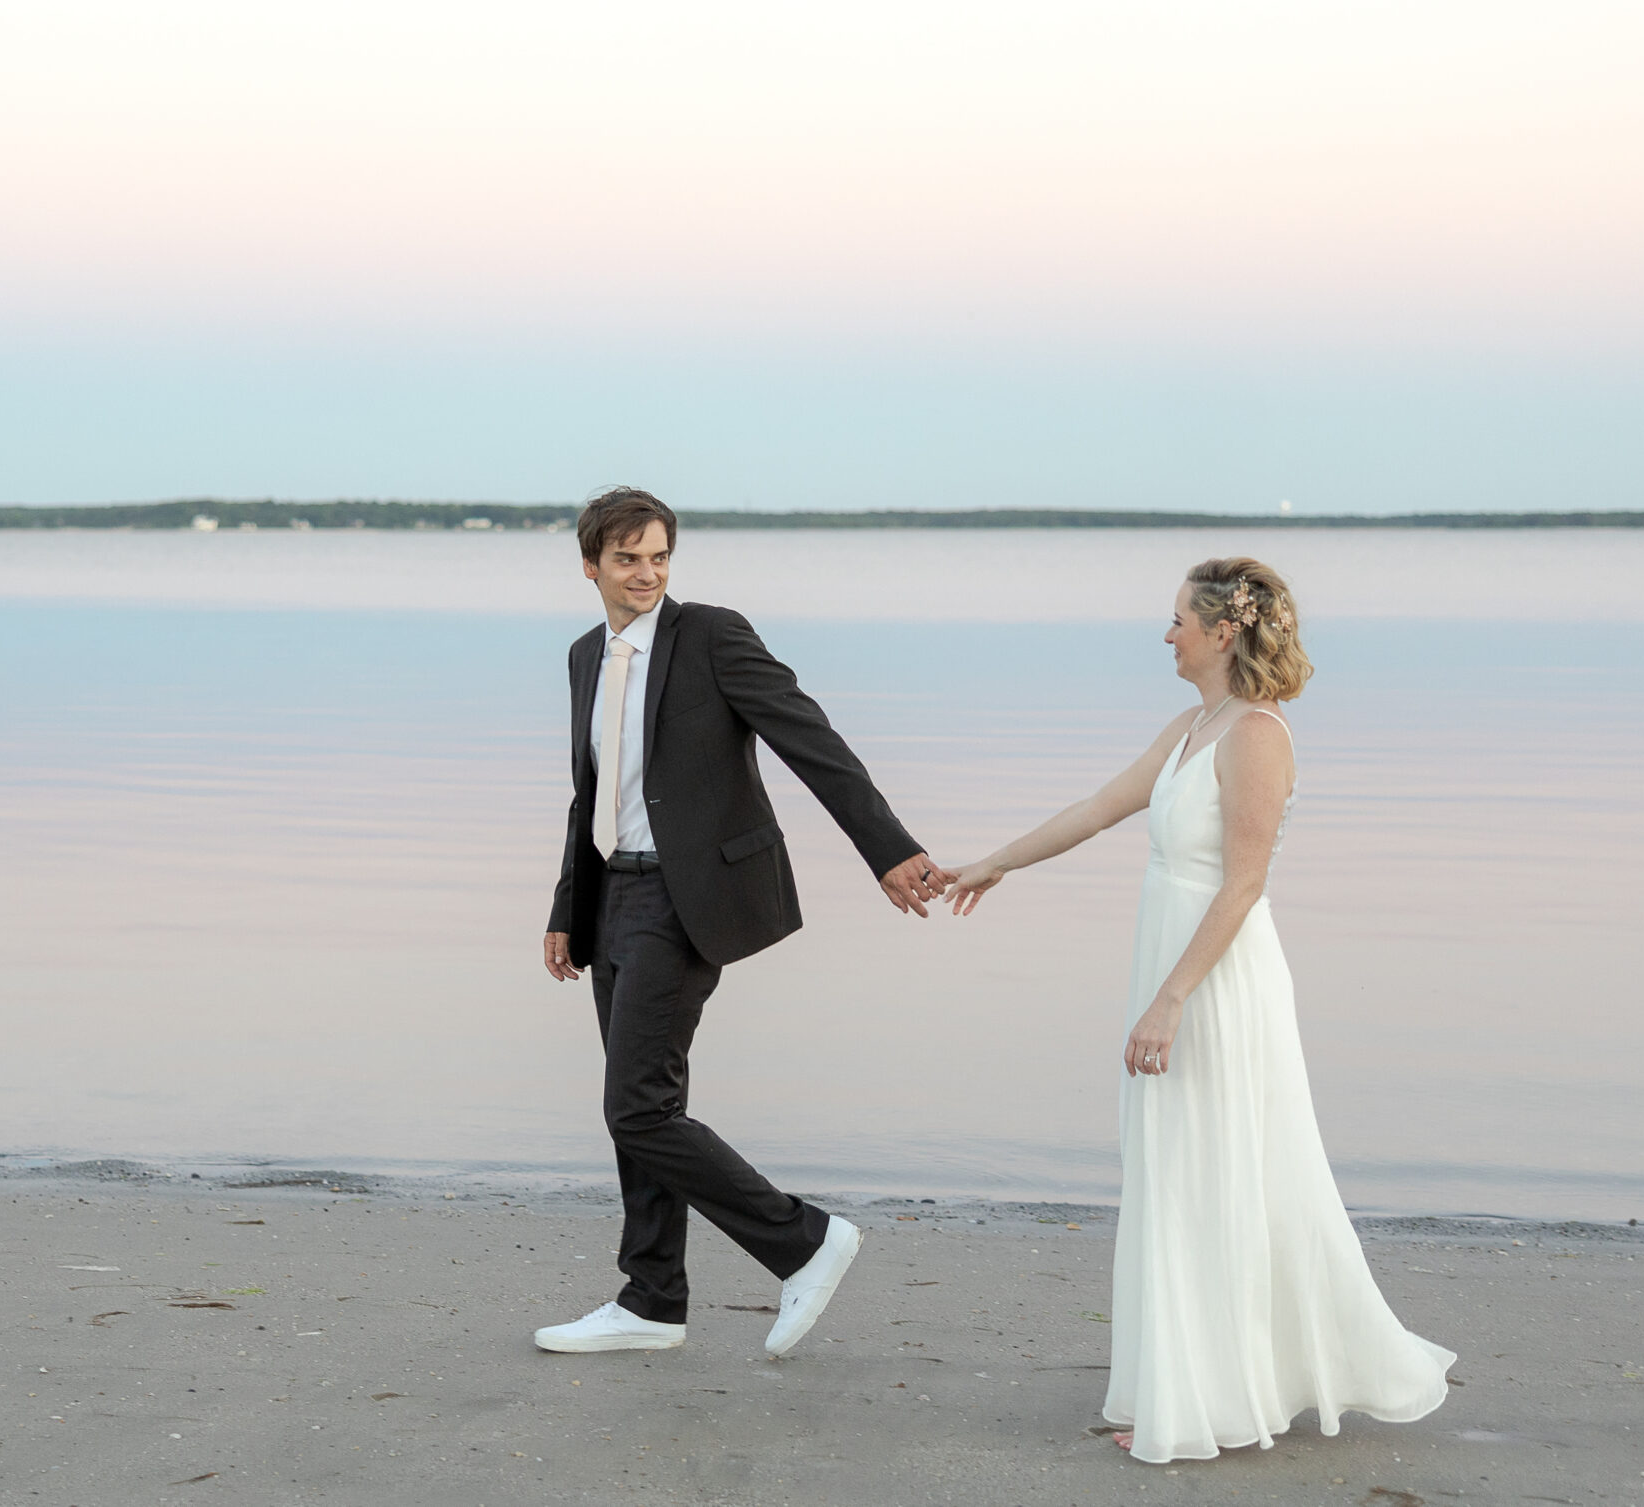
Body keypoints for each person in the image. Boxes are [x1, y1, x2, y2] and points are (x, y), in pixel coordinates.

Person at [946, 558, 1454, 1462]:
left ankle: (1214, 1399)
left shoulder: (1257, 735)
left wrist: (1171, 998)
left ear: (1223, 631)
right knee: (1174, 1172)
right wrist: (995, 863)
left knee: (1213, 1171)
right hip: (1172, 961)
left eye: (1179, 618)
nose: (1167, 632)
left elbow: (1244, 883)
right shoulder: (1192, 725)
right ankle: (1186, 1381)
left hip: (1216, 982)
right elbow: (1097, 808)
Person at [533, 486, 952, 1358]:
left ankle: (804, 1240)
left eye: (659, 557)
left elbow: (810, 739)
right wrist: (567, 908)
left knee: (637, 1108)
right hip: (613, 896)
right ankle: (652, 1299)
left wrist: (888, 849)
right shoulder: (583, 656)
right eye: (627, 559)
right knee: (648, 1101)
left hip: (688, 898)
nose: (646, 574)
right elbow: (589, 792)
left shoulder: (712, 636)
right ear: (589, 566)